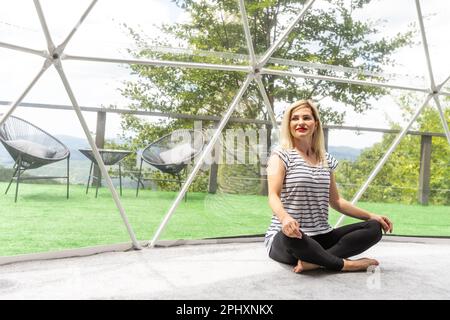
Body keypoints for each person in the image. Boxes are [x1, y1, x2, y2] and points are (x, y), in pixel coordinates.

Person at [265, 99, 393, 273]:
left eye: (306, 118)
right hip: (292, 237)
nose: (300, 122)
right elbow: (273, 195)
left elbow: (337, 201)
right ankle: (345, 264)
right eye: (295, 118)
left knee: (373, 228)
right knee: (291, 238)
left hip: (322, 236)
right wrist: (285, 219)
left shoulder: (326, 159)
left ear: (315, 124)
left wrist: (372, 216)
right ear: (288, 124)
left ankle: (315, 261)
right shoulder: (279, 156)